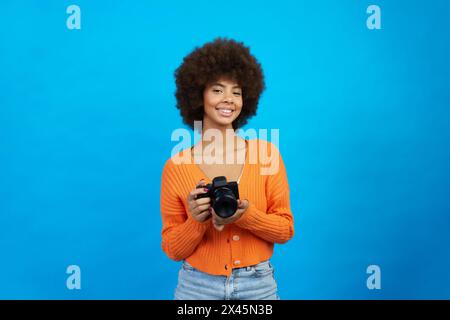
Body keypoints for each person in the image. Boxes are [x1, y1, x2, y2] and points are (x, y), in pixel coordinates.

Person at [160, 38, 294, 300]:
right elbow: (172, 250)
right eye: (218, 90)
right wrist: (195, 222)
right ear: (199, 95)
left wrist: (245, 216)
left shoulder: (266, 154)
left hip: (258, 287)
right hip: (197, 288)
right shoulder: (176, 167)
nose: (229, 99)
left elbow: (285, 230)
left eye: (237, 91)